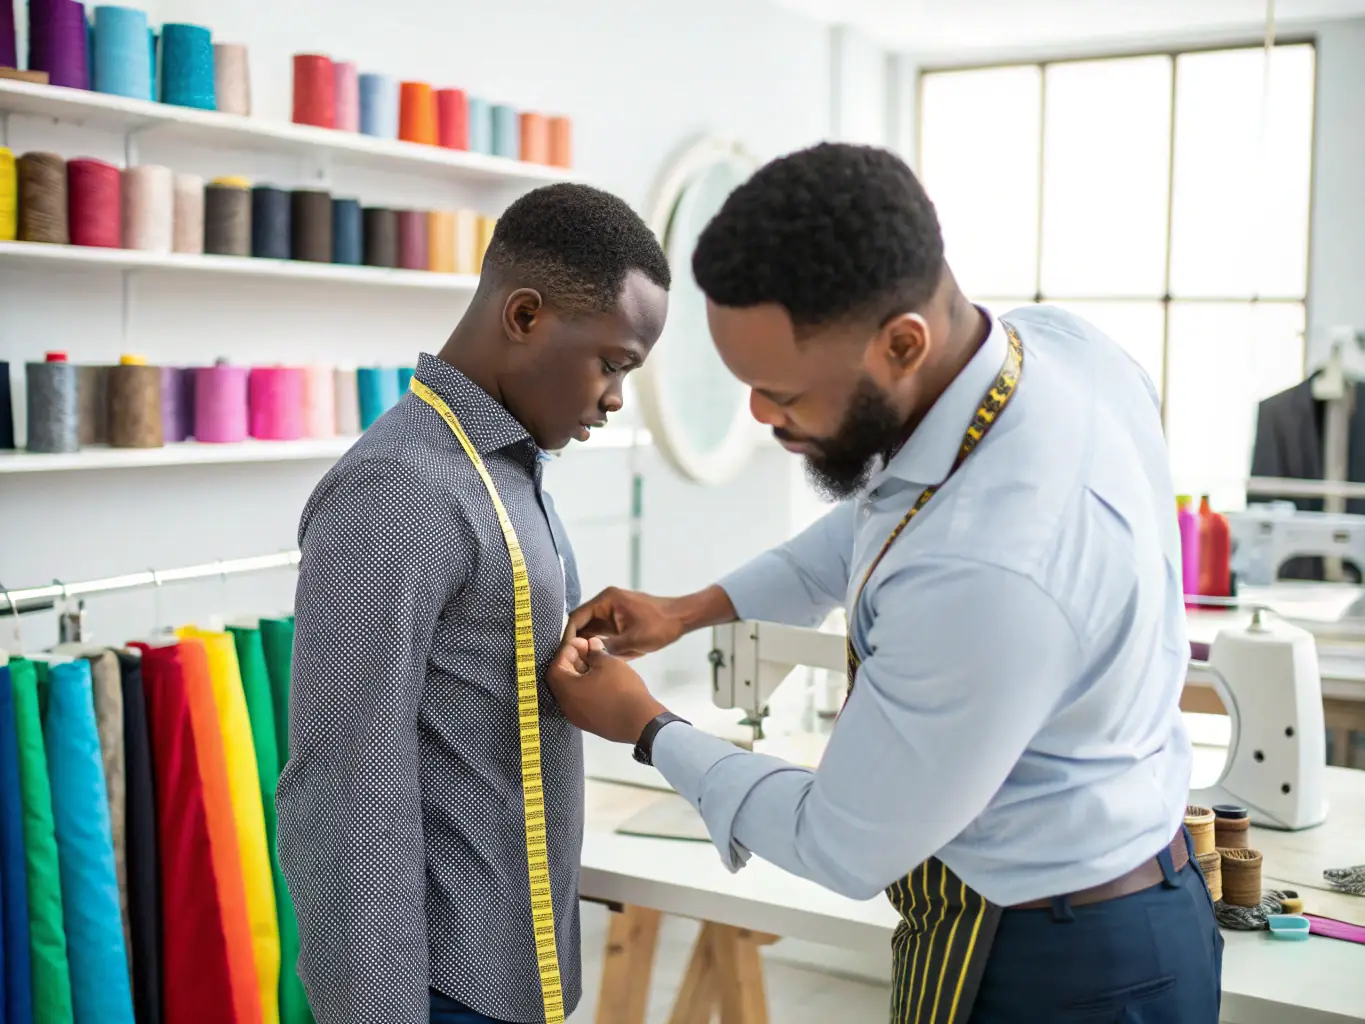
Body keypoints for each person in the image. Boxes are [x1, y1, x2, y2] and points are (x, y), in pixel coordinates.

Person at [547, 143, 1222, 1023]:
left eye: (783, 391)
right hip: (1102, 902)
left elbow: (842, 842)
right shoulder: (1053, 348)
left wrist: (647, 727)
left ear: (903, 343)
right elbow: (879, 518)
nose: (758, 413)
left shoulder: (989, 568)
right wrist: (687, 612)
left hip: (1064, 965)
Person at [277, 182, 670, 1024]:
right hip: (441, 987)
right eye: (612, 364)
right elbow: (344, 783)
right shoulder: (398, 489)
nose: (614, 398)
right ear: (523, 316)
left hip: (516, 964)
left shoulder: (500, 465)